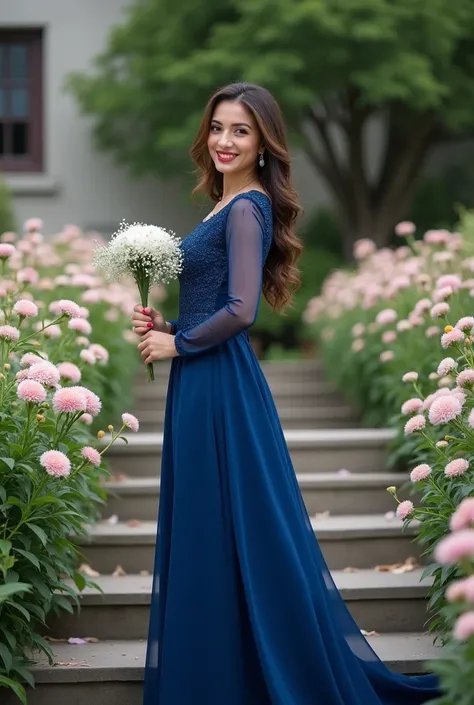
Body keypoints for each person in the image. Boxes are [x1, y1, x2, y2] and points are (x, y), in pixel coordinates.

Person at [131, 82, 439, 705]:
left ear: (264, 144)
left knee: (230, 525)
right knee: (210, 526)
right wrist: (167, 328)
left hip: (218, 384)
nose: (224, 141)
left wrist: (180, 347)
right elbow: (216, 302)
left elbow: (242, 311)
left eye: (240, 131)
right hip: (203, 377)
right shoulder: (225, 204)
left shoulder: (246, 208)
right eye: (217, 127)